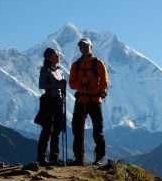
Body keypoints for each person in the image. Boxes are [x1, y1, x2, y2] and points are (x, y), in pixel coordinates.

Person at [69, 38, 109, 166]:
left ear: (91, 47)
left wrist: (91, 88)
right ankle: (78, 157)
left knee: (98, 130)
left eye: (85, 46)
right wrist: (82, 85)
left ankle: (99, 157)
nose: (83, 48)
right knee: (77, 129)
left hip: (94, 100)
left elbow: (104, 83)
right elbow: (71, 83)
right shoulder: (76, 65)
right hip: (81, 100)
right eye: (81, 46)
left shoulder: (98, 63)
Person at [34, 48, 67, 166]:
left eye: (58, 54)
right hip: (48, 101)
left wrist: (62, 87)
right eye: (55, 54)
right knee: (47, 129)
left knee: (56, 129)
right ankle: (41, 158)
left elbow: (59, 85)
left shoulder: (59, 70)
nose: (58, 56)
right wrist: (58, 84)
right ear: (49, 57)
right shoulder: (45, 70)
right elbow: (41, 84)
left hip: (58, 101)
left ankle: (54, 157)